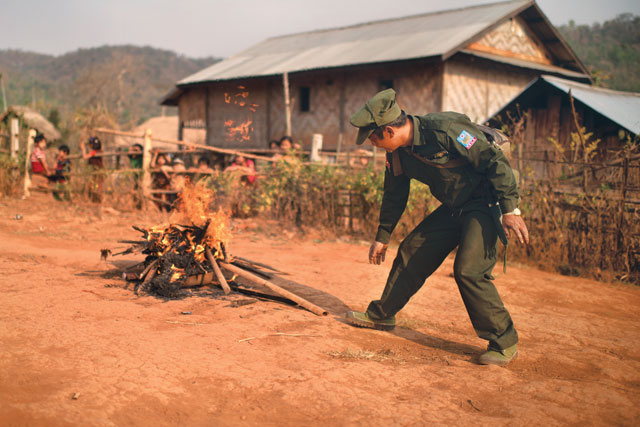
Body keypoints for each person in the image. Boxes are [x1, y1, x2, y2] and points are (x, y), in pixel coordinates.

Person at [345, 89, 529, 367]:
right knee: (412, 250)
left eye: (373, 137)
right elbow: (394, 195)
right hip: (456, 207)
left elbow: (493, 161)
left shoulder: (445, 129)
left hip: (485, 203)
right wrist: (382, 236)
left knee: (468, 270)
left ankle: (504, 341)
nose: (372, 144)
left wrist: (510, 209)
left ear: (389, 131)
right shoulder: (397, 155)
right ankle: (382, 315)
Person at [80, 136, 104, 202]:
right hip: (97, 171)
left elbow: (85, 157)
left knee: (95, 186)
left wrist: (83, 149)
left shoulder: (94, 152)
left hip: (97, 171)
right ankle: (96, 200)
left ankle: (97, 200)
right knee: (95, 186)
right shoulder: (99, 151)